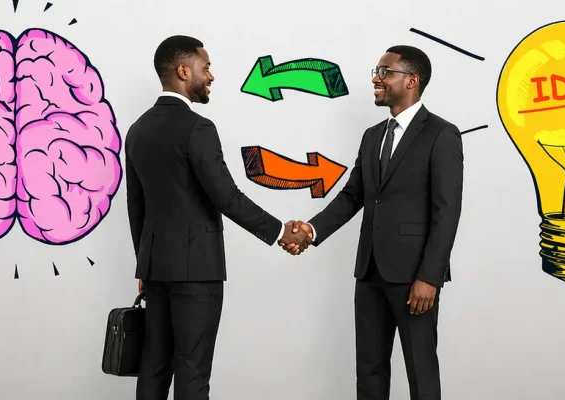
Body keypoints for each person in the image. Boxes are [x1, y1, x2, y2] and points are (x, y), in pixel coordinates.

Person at [124, 35, 312, 400]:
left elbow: (137, 206)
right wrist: (280, 231)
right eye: (205, 67)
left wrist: (142, 266)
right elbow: (226, 196)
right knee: (193, 372)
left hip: (155, 269)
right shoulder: (198, 128)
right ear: (183, 71)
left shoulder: (137, 130)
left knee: (154, 366)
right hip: (198, 274)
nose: (211, 76)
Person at [284, 45, 463, 399]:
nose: (375, 79)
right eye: (376, 71)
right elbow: (353, 196)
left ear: (411, 80)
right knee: (369, 371)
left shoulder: (441, 134)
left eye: (384, 72)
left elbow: (447, 211)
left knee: (421, 369)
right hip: (369, 273)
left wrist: (430, 276)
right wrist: (311, 230)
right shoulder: (372, 135)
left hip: (414, 277)